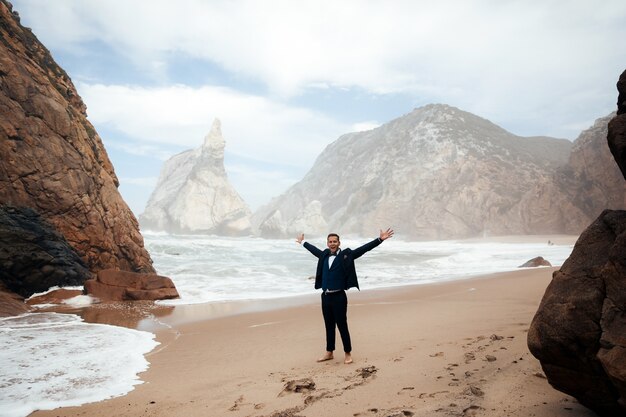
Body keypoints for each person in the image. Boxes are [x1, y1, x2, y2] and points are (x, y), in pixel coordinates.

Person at [296, 228, 394, 364]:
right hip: (325, 296)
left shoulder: (346, 255)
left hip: (339, 297)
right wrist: (303, 242)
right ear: (327, 243)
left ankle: (348, 353)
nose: (332, 244)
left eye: (335, 241)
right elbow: (313, 250)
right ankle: (329, 352)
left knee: (342, 325)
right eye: (330, 242)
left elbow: (363, 249)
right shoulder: (324, 255)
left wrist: (380, 240)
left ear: (339, 243)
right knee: (329, 325)